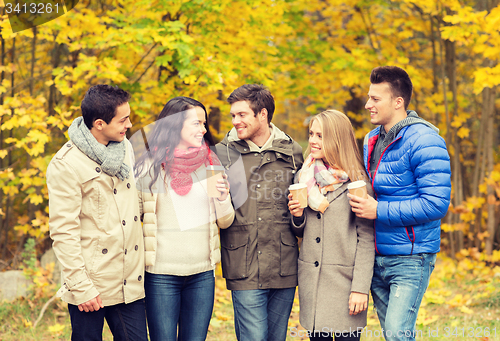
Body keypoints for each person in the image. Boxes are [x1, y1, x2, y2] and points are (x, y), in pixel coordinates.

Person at [348, 66, 451, 341]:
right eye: (368, 97)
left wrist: (378, 210)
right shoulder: (371, 140)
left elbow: (436, 204)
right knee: (396, 335)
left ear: (398, 102)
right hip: (377, 256)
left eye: (375, 99)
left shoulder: (426, 141)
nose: (368, 105)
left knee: (396, 334)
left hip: (410, 258)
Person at [46, 85, 148, 340]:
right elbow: (64, 231)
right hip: (91, 282)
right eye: (123, 119)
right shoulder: (66, 164)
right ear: (99, 123)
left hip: (129, 279)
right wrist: (81, 287)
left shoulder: (125, 147)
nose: (129, 124)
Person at [134, 96, 235, 341]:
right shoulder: (150, 167)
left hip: (202, 275)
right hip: (160, 275)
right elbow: (131, 216)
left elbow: (226, 221)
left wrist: (222, 197)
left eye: (204, 123)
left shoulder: (211, 164)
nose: (203, 129)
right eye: (196, 123)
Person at [215, 84, 304, 341]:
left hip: (283, 264)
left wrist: (299, 216)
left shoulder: (292, 151)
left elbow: (300, 213)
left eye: (242, 115)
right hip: (243, 263)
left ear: (262, 114)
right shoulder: (222, 154)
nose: (235, 121)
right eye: (233, 115)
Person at [288, 110, 375, 341]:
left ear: (337, 139)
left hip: (346, 285)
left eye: (321, 136)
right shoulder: (303, 178)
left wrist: (360, 288)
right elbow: (300, 231)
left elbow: (366, 239)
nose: (313, 141)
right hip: (313, 283)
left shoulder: (358, 183)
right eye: (312, 134)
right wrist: (297, 217)